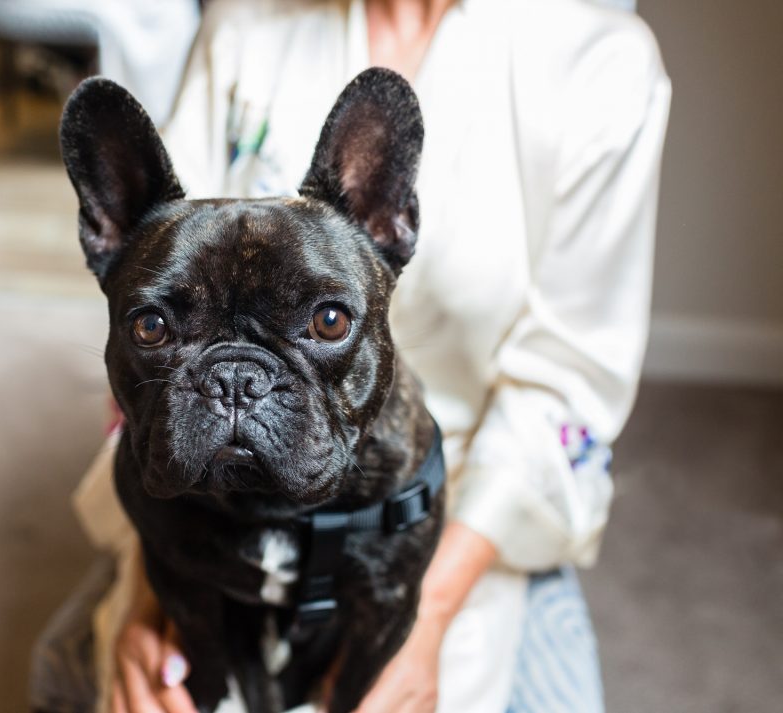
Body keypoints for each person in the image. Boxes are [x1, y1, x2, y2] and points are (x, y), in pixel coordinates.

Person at [70, 0, 671, 711]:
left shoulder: (599, 63)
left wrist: (428, 614)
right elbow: (156, 268)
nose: (243, 384)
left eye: (324, 321)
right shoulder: (243, 23)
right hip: (196, 501)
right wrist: (147, 593)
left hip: (449, 499)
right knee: (106, 679)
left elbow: (568, 388)